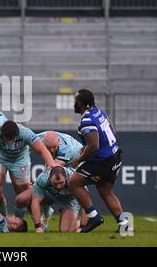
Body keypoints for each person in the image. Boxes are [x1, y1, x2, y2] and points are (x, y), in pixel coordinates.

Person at [0, 120, 63, 219]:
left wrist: (52, 167)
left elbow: (41, 149)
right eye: (7, 139)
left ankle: (26, 221)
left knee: (23, 193)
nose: (9, 143)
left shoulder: (25, 132)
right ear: (1, 132)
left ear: (17, 134)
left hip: (20, 160)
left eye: (12, 139)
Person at [69, 89, 128, 233]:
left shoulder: (87, 120)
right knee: (105, 190)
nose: (74, 103)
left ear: (81, 103)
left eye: (76, 100)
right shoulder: (97, 112)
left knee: (74, 182)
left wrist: (79, 160)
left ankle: (93, 217)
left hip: (103, 160)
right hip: (114, 155)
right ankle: (125, 224)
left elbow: (94, 146)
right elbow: (111, 127)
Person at [15, 166, 87, 233]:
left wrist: (82, 226)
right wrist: (38, 227)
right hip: (49, 195)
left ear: (66, 177)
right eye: (55, 184)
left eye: (61, 183)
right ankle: (44, 224)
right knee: (21, 199)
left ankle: (77, 222)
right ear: (49, 178)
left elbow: (85, 202)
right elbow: (36, 201)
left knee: (65, 230)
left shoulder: (75, 178)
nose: (58, 186)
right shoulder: (43, 178)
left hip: (69, 200)